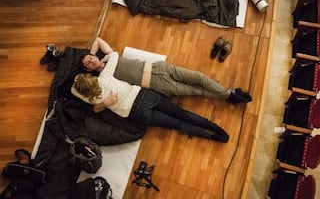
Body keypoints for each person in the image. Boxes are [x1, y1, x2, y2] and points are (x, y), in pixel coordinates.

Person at [71, 51, 229, 143]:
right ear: (89, 75)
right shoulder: (104, 76)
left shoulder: (88, 98)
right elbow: (114, 54)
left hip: (136, 113)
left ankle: (214, 136)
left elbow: (75, 93)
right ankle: (215, 127)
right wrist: (100, 61)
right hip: (143, 95)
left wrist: (106, 102)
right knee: (181, 113)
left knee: (177, 125)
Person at [80, 37, 252, 104]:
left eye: (89, 58)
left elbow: (97, 40)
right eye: (87, 63)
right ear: (88, 69)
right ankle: (230, 94)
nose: (90, 60)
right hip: (158, 84)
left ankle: (229, 95)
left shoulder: (110, 56)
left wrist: (91, 53)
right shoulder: (104, 77)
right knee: (196, 91)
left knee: (199, 77)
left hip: (160, 68)